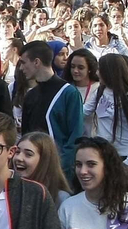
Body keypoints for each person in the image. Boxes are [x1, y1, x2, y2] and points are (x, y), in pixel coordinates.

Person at [14, 42, 85, 180]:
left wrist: (61, 168)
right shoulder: (30, 95)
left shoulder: (68, 93)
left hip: (59, 174)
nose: (21, 68)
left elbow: (75, 137)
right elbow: (26, 135)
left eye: (23, 62)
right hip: (33, 171)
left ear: (36, 62)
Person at [85, 53, 128, 180]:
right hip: (102, 152)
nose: (97, 73)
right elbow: (85, 111)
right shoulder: (100, 90)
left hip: (123, 155)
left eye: (100, 70)